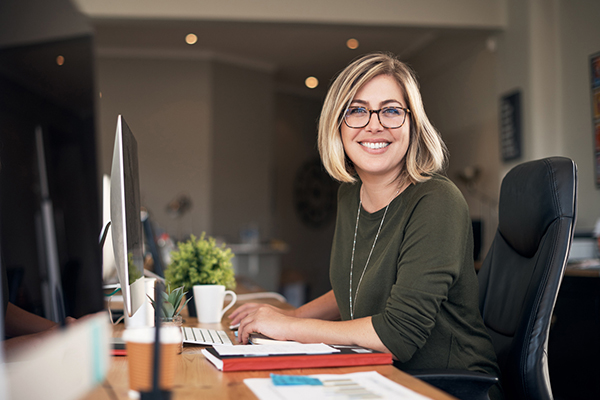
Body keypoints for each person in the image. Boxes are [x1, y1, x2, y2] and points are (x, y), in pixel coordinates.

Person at [229, 52, 501, 398]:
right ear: (338, 126)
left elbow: (398, 334)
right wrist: (288, 315)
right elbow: (354, 289)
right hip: (376, 372)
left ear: (412, 124)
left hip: (444, 385)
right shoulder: (350, 196)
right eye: (357, 110)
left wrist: (289, 327)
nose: (375, 125)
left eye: (390, 110)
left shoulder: (436, 201)